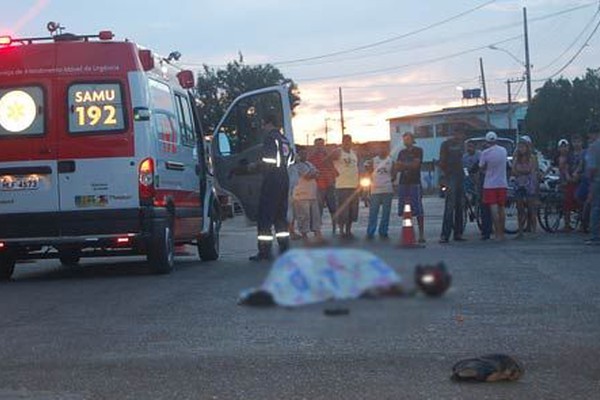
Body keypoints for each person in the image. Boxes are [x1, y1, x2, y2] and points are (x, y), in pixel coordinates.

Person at [250, 114, 293, 261]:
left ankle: (264, 252)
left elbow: (269, 160)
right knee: (280, 216)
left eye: (264, 124)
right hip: (284, 178)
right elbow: (291, 159)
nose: (263, 128)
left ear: (269, 124)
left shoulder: (270, 138)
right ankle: (284, 248)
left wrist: (254, 166)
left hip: (272, 179)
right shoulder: (284, 139)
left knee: (265, 216)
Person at [395, 132, 425, 243]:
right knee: (405, 210)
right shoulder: (401, 152)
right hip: (403, 183)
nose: (405, 141)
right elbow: (397, 167)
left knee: (418, 209)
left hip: (414, 182)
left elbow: (416, 165)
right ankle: (407, 233)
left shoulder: (418, 150)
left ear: (412, 140)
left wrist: (403, 165)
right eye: (404, 139)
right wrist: (407, 165)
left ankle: (421, 234)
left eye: (407, 139)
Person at [479, 131, 508, 241]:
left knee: (493, 209)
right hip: (502, 183)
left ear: (486, 141)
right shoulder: (503, 150)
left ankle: (497, 233)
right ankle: (502, 233)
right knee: (502, 208)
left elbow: (481, 167)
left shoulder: (485, 153)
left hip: (489, 184)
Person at [439, 129, 466, 243]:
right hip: (451, 177)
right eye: (457, 133)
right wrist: (445, 177)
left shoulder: (462, 144)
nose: (459, 135)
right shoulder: (446, 145)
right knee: (450, 206)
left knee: (460, 206)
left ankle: (458, 233)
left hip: (460, 176)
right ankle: (445, 235)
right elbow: (442, 161)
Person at [291, 149, 323, 244]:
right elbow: (308, 175)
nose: (304, 155)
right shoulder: (296, 165)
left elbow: (318, 173)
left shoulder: (309, 163)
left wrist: (314, 173)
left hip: (312, 194)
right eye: (302, 153)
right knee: (304, 216)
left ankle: (317, 234)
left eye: (305, 153)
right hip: (301, 195)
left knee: (315, 216)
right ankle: (304, 235)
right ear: (297, 155)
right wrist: (314, 173)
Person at [463, 141, 492, 240]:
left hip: (480, 180)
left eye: (471, 146)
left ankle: (485, 226)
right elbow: (465, 169)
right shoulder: (464, 157)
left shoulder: (480, 155)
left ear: (475, 147)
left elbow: (479, 167)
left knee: (482, 202)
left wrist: (476, 175)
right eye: (468, 147)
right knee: (467, 196)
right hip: (468, 180)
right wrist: (467, 175)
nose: (469, 148)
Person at [308, 138, 338, 234]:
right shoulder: (311, 158)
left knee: (333, 207)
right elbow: (310, 171)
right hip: (319, 186)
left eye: (321, 144)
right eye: (318, 144)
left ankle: (335, 228)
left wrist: (333, 179)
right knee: (318, 209)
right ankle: (318, 229)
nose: (320, 146)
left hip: (330, 185)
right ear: (315, 146)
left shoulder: (329, 156)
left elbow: (335, 170)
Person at [332, 134, 359, 239]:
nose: (348, 143)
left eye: (349, 141)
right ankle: (342, 231)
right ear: (342, 141)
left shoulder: (354, 153)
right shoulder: (338, 152)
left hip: (354, 185)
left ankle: (349, 230)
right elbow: (327, 160)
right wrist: (333, 171)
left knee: (353, 210)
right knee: (343, 210)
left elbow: (355, 167)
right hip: (342, 186)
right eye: (345, 141)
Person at [365, 146, 394, 240]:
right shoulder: (373, 160)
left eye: (384, 149)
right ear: (378, 150)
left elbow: (394, 173)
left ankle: (383, 231)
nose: (382, 151)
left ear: (387, 150)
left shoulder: (391, 161)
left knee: (386, 213)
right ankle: (370, 231)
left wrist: (389, 181)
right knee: (373, 212)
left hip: (387, 189)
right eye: (381, 149)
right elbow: (368, 171)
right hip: (375, 190)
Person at [512, 139, 536, 238]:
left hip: (529, 184)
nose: (521, 149)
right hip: (519, 185)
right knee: (520, 209)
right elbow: (514, 170)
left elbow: (530, 170)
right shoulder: (516, 158)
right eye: (519, 147)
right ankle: (520, 231)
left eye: (523, 146)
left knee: (531, 208)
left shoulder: (531, 158)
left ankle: (533, 231)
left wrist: (520, 172)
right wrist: (520, 172)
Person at [584, 125, 600, 245]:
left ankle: (596, 236)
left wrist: (588, 179)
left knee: (596, 207)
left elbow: (592, 167)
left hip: (597, 180)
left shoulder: (594, 147)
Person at [557, 138, 576, 232]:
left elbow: (567, 169)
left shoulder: (570, 158)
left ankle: (567, 225)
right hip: (562, 182)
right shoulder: (557, 158)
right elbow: (551, 167)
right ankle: (566, 224)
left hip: (569, 182)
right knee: (564, 205)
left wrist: (568, 178)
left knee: (568, 204)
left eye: (565, 147)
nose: (563, 149)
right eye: (561, 147)